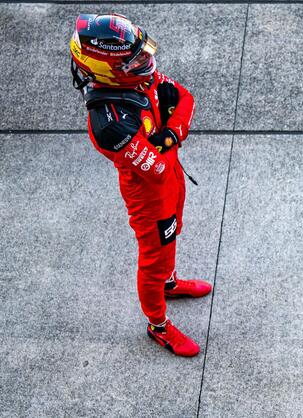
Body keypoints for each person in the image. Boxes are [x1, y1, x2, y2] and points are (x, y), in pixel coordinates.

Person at [70, 13, 211, 357]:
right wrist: (172, 133)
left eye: (143, 52)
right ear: (108, 70)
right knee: (153, 257)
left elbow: (186, 97)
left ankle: (169, 283)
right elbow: (157, 169)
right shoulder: (109, 124)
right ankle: (158, 325)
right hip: (149, 197)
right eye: (135, 59)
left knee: (175, 232)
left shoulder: (134, 77)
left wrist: (170, 135)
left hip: (171, 178)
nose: (147, 60)